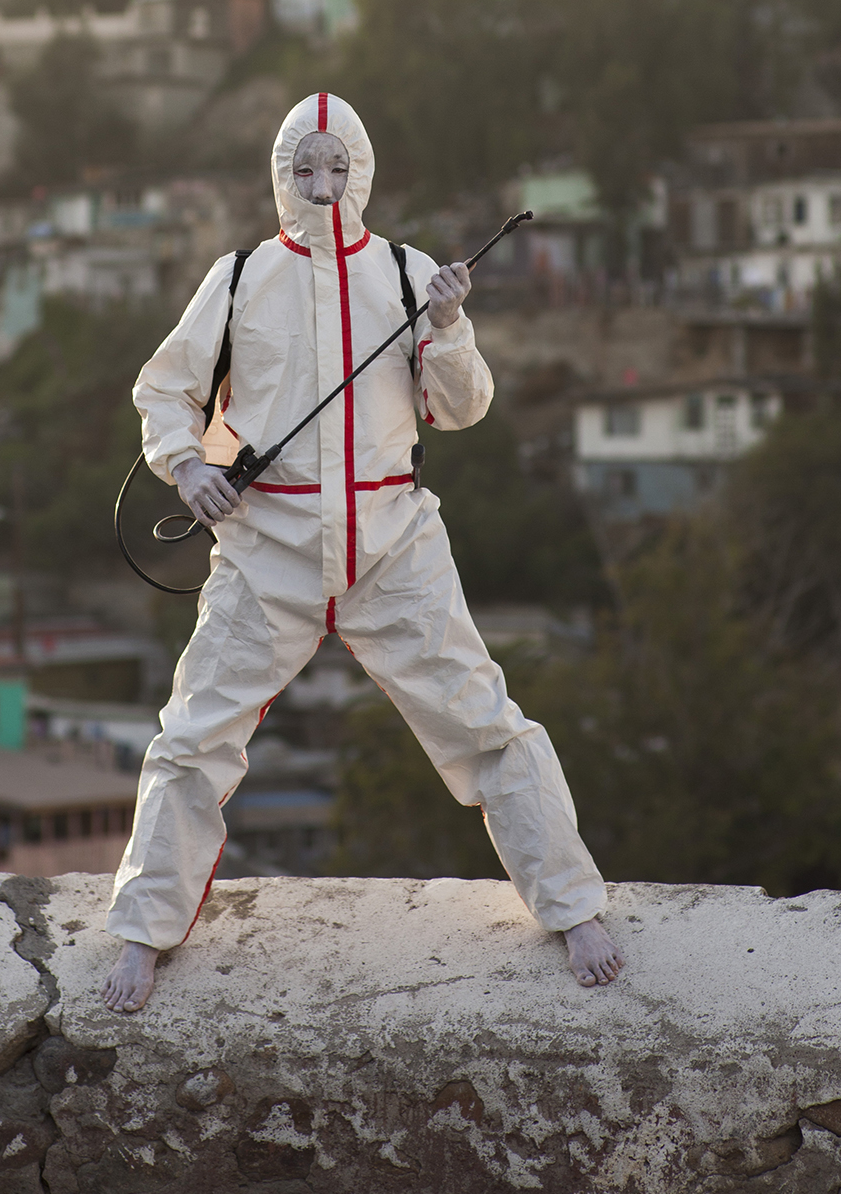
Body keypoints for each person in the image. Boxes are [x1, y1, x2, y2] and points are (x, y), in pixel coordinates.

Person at [102, 93, 623, 1012]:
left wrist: (449, 327)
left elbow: (461, 408)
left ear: (363, 171)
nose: (322, 185)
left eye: (337, 167)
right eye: (304, 168)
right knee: (193, 737)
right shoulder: (238, 278)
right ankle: (144, 931)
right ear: (280, 175)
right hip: (267, 548)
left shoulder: (411, 274)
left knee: (486, 723)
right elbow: (163, 390)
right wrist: (187, 468)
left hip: (394, 545)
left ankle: (575, 907)